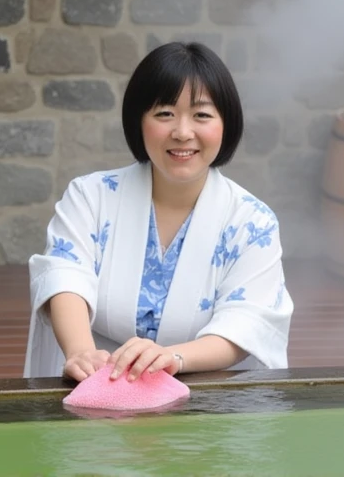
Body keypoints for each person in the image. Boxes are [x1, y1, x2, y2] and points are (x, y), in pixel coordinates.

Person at [24, 41, 294, 382]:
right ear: (139, 120)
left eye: (202, 115)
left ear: (226, 124)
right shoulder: (90, 196)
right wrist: (82, 353)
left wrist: (171, 358)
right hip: (97, 384)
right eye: (164, 113)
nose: (182, 133)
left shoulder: (253, 221)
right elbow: (65, 276)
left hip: (204, 393)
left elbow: (249, 324)